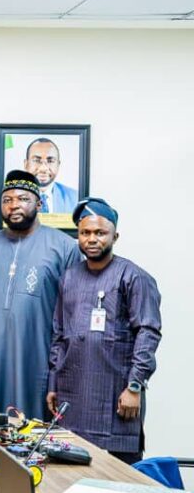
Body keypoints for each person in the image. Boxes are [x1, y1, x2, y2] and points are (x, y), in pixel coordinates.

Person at [48, 199, 162, 464]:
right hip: (73, 395)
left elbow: (148, 333)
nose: (92, 239)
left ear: (115, 236)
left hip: (117, 395)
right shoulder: (69, 277)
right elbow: (59, 334)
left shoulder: (133, 277)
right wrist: (54, 382)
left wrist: (135, 386)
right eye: (85, 233)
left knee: (120, 479)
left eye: (100, 233)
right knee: (71, 471)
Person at [0, 170, 80, 419]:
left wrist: (62, 368)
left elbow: (72, 315)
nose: (14, 205)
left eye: (23, 199)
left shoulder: (63, 247)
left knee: (38, 430)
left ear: (39, 204)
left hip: (40, 359)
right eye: (7, 200)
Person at [23, 137, 78, 214]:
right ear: (26, 164)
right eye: (36, 160)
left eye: (50, 161)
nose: (43, 168)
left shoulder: (75, 198)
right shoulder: (9, 197)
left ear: (58, 165)